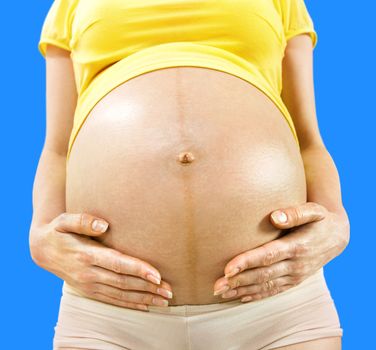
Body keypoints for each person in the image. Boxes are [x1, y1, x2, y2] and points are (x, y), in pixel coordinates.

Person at [30, 0, 350, 349]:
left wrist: (336, 221)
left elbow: (309, 143)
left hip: (275, 305)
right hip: (110, 308)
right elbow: (57, 149)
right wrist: (41, 235)